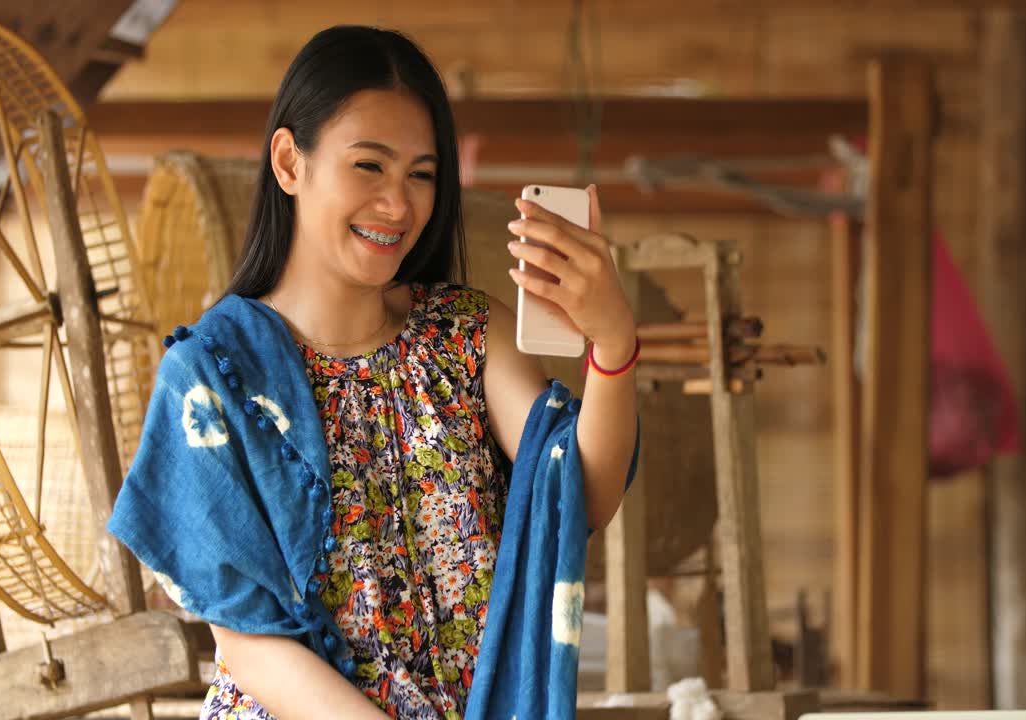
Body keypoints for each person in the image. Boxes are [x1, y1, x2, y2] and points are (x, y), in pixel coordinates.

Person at [109, 25, 639, 720]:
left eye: (421, 174)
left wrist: (613, 341)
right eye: (369, 166)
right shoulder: (212, 375)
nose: (398, 205)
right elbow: (251, 644)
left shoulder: (467, 336)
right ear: (289, 163)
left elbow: (581, 497)